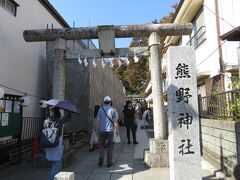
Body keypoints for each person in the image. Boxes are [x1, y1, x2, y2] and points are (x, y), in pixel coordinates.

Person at [43, 106, 71, 180]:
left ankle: (59, 178)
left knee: (57, 164)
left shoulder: (46, 121)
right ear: (58, 112)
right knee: (56, 165)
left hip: (48, 143)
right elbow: (68, 118)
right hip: (57, 143)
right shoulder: (60, 120)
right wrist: (67, 110)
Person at [96, 96, 119, 167]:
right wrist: (117, 130)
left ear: (104, 102)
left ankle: (100, 161)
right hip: (110, 131)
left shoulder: (100, 109)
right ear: (110, 101)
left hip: (102, 130)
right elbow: (115, 121)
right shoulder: (113, 109)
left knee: (101, 146)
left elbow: (98, 121)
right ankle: (109, 163)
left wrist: (97, 130)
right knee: (110, 147)